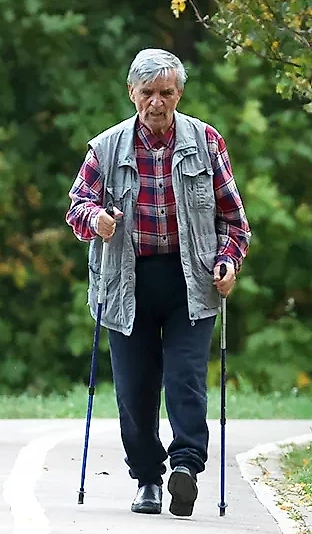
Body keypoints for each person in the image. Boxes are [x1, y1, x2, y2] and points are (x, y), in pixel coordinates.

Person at [65, 48, 251, 517]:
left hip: (191, 278)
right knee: (134, 389)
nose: (156, 102)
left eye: (166, 92)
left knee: (185, 380)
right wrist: (98, 220)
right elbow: (77, 207)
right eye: (147, 92)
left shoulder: (206, 142)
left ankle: (185, 466)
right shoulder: (105, 148)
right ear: (132, 93)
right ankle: (147, 477)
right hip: (126, 281)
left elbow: (234, 220)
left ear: (179, 93)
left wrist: (228, 261)